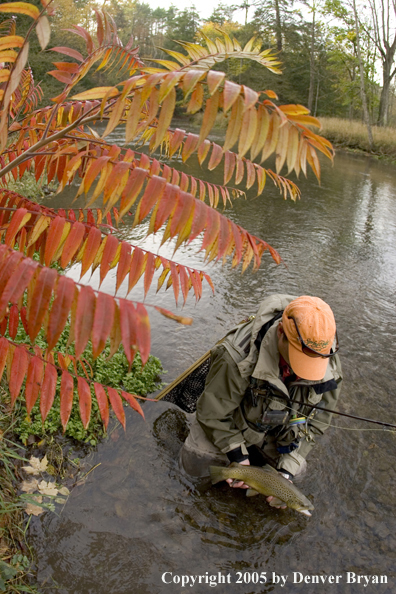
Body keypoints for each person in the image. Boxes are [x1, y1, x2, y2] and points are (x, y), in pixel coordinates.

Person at [179, 294, 342, 508]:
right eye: (300, 359)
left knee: (298, 473)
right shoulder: (237, 355)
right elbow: (213, 413)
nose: (304, 372)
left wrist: (285, 473)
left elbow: (316, 425)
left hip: (276, 430)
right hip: (231, 421)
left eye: (313, 363)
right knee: (196, 462)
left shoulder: (327, 359)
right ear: (281, 333)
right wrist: (237, 455)